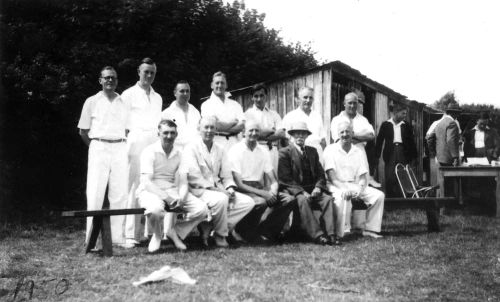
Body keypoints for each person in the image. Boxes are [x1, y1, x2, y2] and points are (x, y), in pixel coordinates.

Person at [136, 119, 209, 252]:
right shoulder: (149, 151)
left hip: (171, 189)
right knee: (155, 210)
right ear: (158, 133)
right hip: (150, 190)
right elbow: (146, 182)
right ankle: (157, 235)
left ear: (176, 134)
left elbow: (183, 180)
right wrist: (167, 198)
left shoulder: (181, 153)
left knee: (201, 209)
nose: (169, 136)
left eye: (172, 133)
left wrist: (182, 196)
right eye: (165, 133)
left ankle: (172, 231)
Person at [182, 117, 255, 247]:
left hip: (219, 189)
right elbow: (194, 177)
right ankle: (221, 236)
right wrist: (221, 191)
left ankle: (213, 228)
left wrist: (230, 189)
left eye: (212, 127)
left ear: (216, 130)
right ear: (199, 129)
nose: (209, 131)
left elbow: (226, 175)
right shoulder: (190, 148)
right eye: (206, 127)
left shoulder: (220, 149)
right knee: (221, 199)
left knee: (247, 202)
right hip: (198, 190)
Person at [77, 66, 129, 247]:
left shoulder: (124, 102)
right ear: (100, 80)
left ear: (117, 80)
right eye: (106, 78)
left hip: (120, 147)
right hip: (98, 146)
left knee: (120, 193)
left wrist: (118, 145)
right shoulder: (91, 101)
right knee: (95, 192)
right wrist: (96, 147)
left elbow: (127, 128)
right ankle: (90, 238)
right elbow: (83, 131)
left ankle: (117, 237)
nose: (110, 81)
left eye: (113, 78)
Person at [229, 120, 295, 242]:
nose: (254, 133)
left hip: (259, 188)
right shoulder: (235, 150)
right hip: (243, 190)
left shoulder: (263, 150)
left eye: (257, 131)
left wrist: (274, 189)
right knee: (261, 202)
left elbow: (272, 178)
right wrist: (264, 194)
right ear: (243, 132)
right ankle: (241, 231)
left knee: (288, 200)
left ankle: (265, 231)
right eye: (251, 130)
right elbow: (239, 183)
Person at [278, 121, 342, 245]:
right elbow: (285, 179)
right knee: (303, 200)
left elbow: (320, 174)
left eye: (303, 134)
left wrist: (318, 187)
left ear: (307, 136)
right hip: (294, 190)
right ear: (291, 136)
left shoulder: (312, 151)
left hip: (313, 190)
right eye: (297, 134)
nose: (300, 136)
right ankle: (318, 235)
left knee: (328, 199)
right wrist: (301, 192)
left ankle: (331, 234)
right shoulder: (284, 152)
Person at [122, 58, 163, 247]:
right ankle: (130, 234)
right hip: (135, 141)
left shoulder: (158, 97)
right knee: (133, 188)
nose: (148, 76)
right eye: (146, 72)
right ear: (138, 72)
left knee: (150, 185)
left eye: (152, 73)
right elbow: (122, 124)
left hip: (153, 143)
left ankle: (148, 232)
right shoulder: (128, 94)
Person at [324, 121, 385, 238]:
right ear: (338, 134)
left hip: (354, 184)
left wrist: (361, 188)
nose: (345, 134)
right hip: (335, 185)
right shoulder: (330, 150)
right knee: (344, 195)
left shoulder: (358, 151)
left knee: (379, 196)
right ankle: (342, 231)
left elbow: (362, 175)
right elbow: (332, 177)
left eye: (347, 131)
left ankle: (370, 229)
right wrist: (345, 189)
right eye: (342, 132)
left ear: (352, 134)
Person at [330, 92, 380, 188]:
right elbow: (337, 139)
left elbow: (371, 135)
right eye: (350, 103)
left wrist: (353, 135)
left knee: (362, 184)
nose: (352, 106)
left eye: (355, 103)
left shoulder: (363, 120)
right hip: (343, 154)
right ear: (344, 103)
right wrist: (361, 137)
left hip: (360, 154)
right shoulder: (336, 119)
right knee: (345, 184)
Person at [375, 103, 417, 197]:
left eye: (405, 113)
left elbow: (412, 142)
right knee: (390, 176)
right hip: (390, 152)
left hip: (403, 152)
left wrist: (414, 157)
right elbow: (379, 141)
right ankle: (391, 199)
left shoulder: (406, 125)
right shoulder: (386, 125)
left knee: (403, 175)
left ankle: (403, 199)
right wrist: (376, 156)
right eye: (403, 113)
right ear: (396, 113)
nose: (405, 115)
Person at [244, 83, 286, 172]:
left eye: (262, 96)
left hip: (273, 150)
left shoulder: (274, 114)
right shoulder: (248, 114)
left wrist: (262, 133)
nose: (259, 99)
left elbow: (281, 133)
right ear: (252, 97)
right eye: (256, 96)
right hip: (256, 150)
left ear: (266, 96)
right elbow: (251, 135)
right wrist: (271, 131)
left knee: (273, 180)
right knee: (258, 180)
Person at [200, 71, 245, 150]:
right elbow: (214, 125)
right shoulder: (206, 105)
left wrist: (222, 126)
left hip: (234, 144)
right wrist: (232, 123)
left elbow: (242, 125)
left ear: (226, 85)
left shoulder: (235, 104)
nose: (219, 85)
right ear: (212, 85)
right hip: (217, 143)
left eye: (222, 83)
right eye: (217, 83)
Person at [282, 87, 327, 161]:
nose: (308, 100)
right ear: (298, 99)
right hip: (298, 155)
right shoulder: (290, 116)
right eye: (305, 97)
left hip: (317, 155)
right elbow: (285, 140)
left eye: (311, 98)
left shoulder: (317, 116)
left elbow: (323, 141)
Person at [161, 81, 201, 149]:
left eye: (187, 91)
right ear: (175, 93)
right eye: (182, 91)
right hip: (175, 152)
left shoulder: (195, 112)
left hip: (194, 152)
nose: (185, 94)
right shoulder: (166, 114)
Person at [426, 103, 461, 167]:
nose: (458, 116)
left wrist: (434, 152)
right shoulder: (452, 123)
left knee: (443, 176)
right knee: (452, 176)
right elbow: (450, 140)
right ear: (454, 113)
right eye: (458, 113)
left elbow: (430, 138)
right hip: (449, 158)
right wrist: (455, 157)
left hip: (440, 158)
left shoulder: (440, 122)